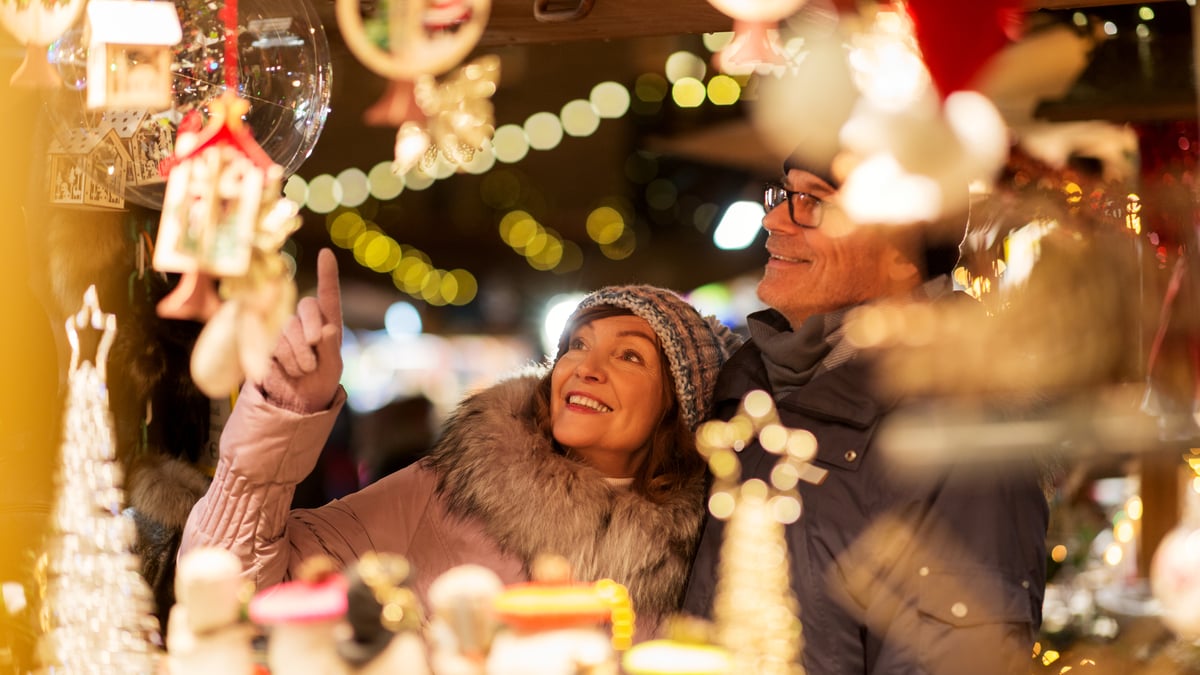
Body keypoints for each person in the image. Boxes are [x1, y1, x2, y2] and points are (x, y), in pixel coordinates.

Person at [180, 249, 741, 639]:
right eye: (577, 344)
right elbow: (235, 586)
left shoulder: (706, 552)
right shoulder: (451, 490)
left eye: (629, 356)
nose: (585, 368)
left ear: (679, 406)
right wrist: (281, 416)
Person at [682, 156, 1049, 673]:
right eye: (783, 194)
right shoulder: (744, 388)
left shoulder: (964, 425)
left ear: (904, 249)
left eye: (814, 202)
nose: (774, 220)